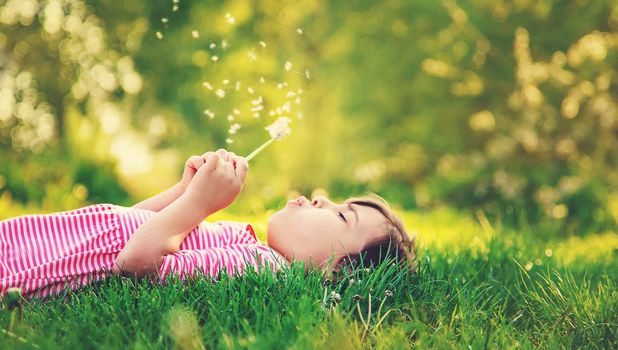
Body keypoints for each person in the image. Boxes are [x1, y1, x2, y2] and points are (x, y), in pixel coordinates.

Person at [0, 149, 415, 299]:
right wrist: (184, 192)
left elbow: (132, 264)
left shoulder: (259, 267)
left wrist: (199, 204)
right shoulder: (249, 243)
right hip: (36, 238)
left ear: (334, 269)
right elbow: (132, 224)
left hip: (32, 265)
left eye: (341, 214)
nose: (323, 199)